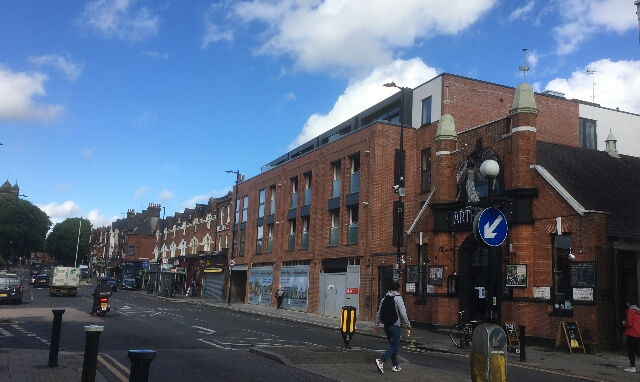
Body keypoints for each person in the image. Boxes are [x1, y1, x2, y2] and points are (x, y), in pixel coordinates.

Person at [373, 281, 411, 373]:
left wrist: (376, 325)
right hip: (395, 325)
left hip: (386, 325)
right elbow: (403, 313)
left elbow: (379, 312)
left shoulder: (384, 298)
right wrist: (407, 324)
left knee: (393, 346)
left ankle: (395, 365)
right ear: (398, 288)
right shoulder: (398, 298)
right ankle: (381, 360)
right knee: (395, 346)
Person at [623, 296, 640, 373]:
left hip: (631, 332)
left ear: (629, 303)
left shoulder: (630, 311)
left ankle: (632, 367)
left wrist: (624, 323)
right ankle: (632, 366)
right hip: (638, 333)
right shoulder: (638, 311)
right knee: (636, 349)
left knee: (631, 350)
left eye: (627, 302)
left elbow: (629, 323)